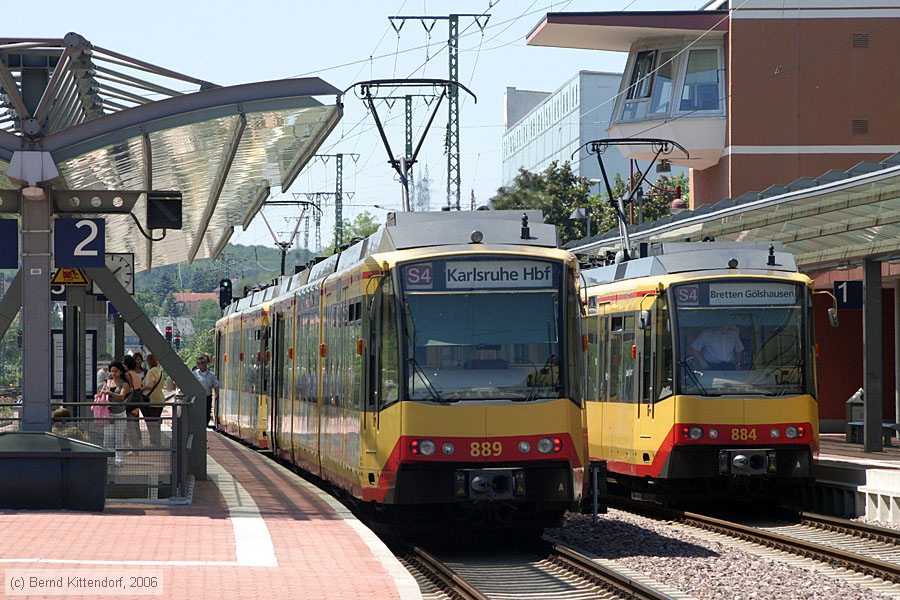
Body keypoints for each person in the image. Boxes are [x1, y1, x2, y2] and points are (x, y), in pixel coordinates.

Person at [103, 361, 130, 464]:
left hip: (120, 413)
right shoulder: (108, 382)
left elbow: (122, 396)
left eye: (116, 371)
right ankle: (108, 458)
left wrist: (110, 392)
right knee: (108, 436)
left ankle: (119, 459)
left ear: (121, 372)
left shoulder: (124, 384)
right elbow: (102, 392)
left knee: (119, 437)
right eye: (111, 371)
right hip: (108, 412)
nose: (113, 373)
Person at [141, 354, 166, 447]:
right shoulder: (159, 371)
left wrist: (140, 388)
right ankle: (157, 441)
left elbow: (149, 385)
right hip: (160, 399)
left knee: (151, 422)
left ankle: (154, 442)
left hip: (151, 399)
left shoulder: (151, 371)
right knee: (156, 422)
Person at [122, 355, 144, 452]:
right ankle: (134, 447)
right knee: (133, 424)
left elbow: (128, 388)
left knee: (129, 425)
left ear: (126, 365)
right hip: (137, 399)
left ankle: (134, 449)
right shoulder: (136, 374)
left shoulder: (127, 374)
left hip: (131, 401)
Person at [193, 355, 220, 425]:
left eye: (205, 362)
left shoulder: (211, 375)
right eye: (202, 363)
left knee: (207, 415)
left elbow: (216, 385)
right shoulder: (194, 374)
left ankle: (204, 426)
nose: (204, 364)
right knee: (198, 415)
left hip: (207, 397)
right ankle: (199, 427)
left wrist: (216, 394)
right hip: (197, 398)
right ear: (198, 365)